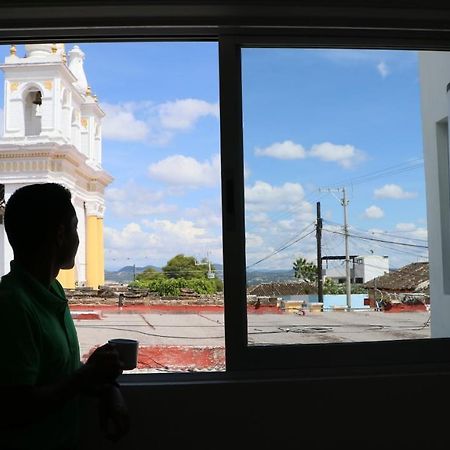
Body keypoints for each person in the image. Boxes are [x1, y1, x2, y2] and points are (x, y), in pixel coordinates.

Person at [0, 183, 129, 449]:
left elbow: (58, 378)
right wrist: (86, 376)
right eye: (74, 228)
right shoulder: (11, 305)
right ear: (59, 235)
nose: (78, 239)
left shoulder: (54, 291)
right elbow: (16, 408)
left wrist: (105, 385)